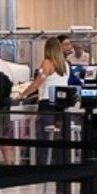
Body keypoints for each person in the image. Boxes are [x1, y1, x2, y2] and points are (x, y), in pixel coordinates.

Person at [22, 36, 71, 165]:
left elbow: (37, 82)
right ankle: (60, 164)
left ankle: (43, 168)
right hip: (61, 105)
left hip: (47, 106)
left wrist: (23, 94)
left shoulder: (47, 63)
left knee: (44, 138)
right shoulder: (65, 65)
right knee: (59, 138)